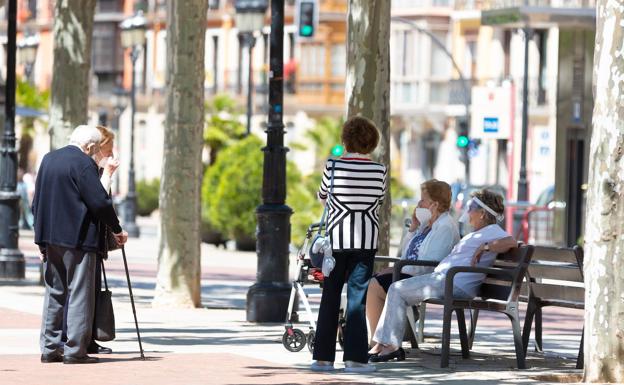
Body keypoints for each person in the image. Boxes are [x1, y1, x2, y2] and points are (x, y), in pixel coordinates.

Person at [369, 189, 516, 362]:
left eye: (471, 208)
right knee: (396, 288)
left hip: (453, 283)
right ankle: (383, 344)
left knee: (397, 289)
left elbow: (512, 242)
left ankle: (389, 346)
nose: (468, 212)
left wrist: (485, 247)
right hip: (445, 280)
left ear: (482, 213)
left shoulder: (493, 232)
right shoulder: (479, 233)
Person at [33, 125, 128, 364]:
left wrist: (40, 240)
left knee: (54, 293)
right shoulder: (84, 163)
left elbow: (37, 202)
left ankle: (49, 348)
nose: (95, 153)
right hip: (79, 239)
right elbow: (100, 202)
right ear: (89, 146)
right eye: (95, 149)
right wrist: (117, 229)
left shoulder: (49, 159)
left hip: (52, 238)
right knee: (79, 294)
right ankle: (75, 350)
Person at [311, 116, 387, 373]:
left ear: (346, 140)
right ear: (372, 143)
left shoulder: (332, 167)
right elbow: (378, 202)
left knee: (330, 296)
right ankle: (355, 359)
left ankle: (322, 359)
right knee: (357, 299)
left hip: (336, 242)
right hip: (365, 242)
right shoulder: (380, 171)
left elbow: (323, 197)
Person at [366, 179, 459, 346]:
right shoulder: (426, 225)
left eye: (423, 200)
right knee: (372, 283)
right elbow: (405, 253)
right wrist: (413, 228)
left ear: (434, 204)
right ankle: (379, 341)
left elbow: (430, 264)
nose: (418, 204)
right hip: (409, 272)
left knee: (374, 286)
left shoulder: (445, 226)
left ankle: (378, 343)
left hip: (424, 278)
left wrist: (400, 269)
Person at [86, 125, 120, 355]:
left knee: (92, 289)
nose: (111, 153)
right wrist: (107, 174)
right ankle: (84, 339)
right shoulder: (90, 169)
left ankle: (89, 336)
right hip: (86, 240)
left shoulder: (95, 168)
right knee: (85, 291)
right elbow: (98, 201)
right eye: (108, 148)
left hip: (95, 241)